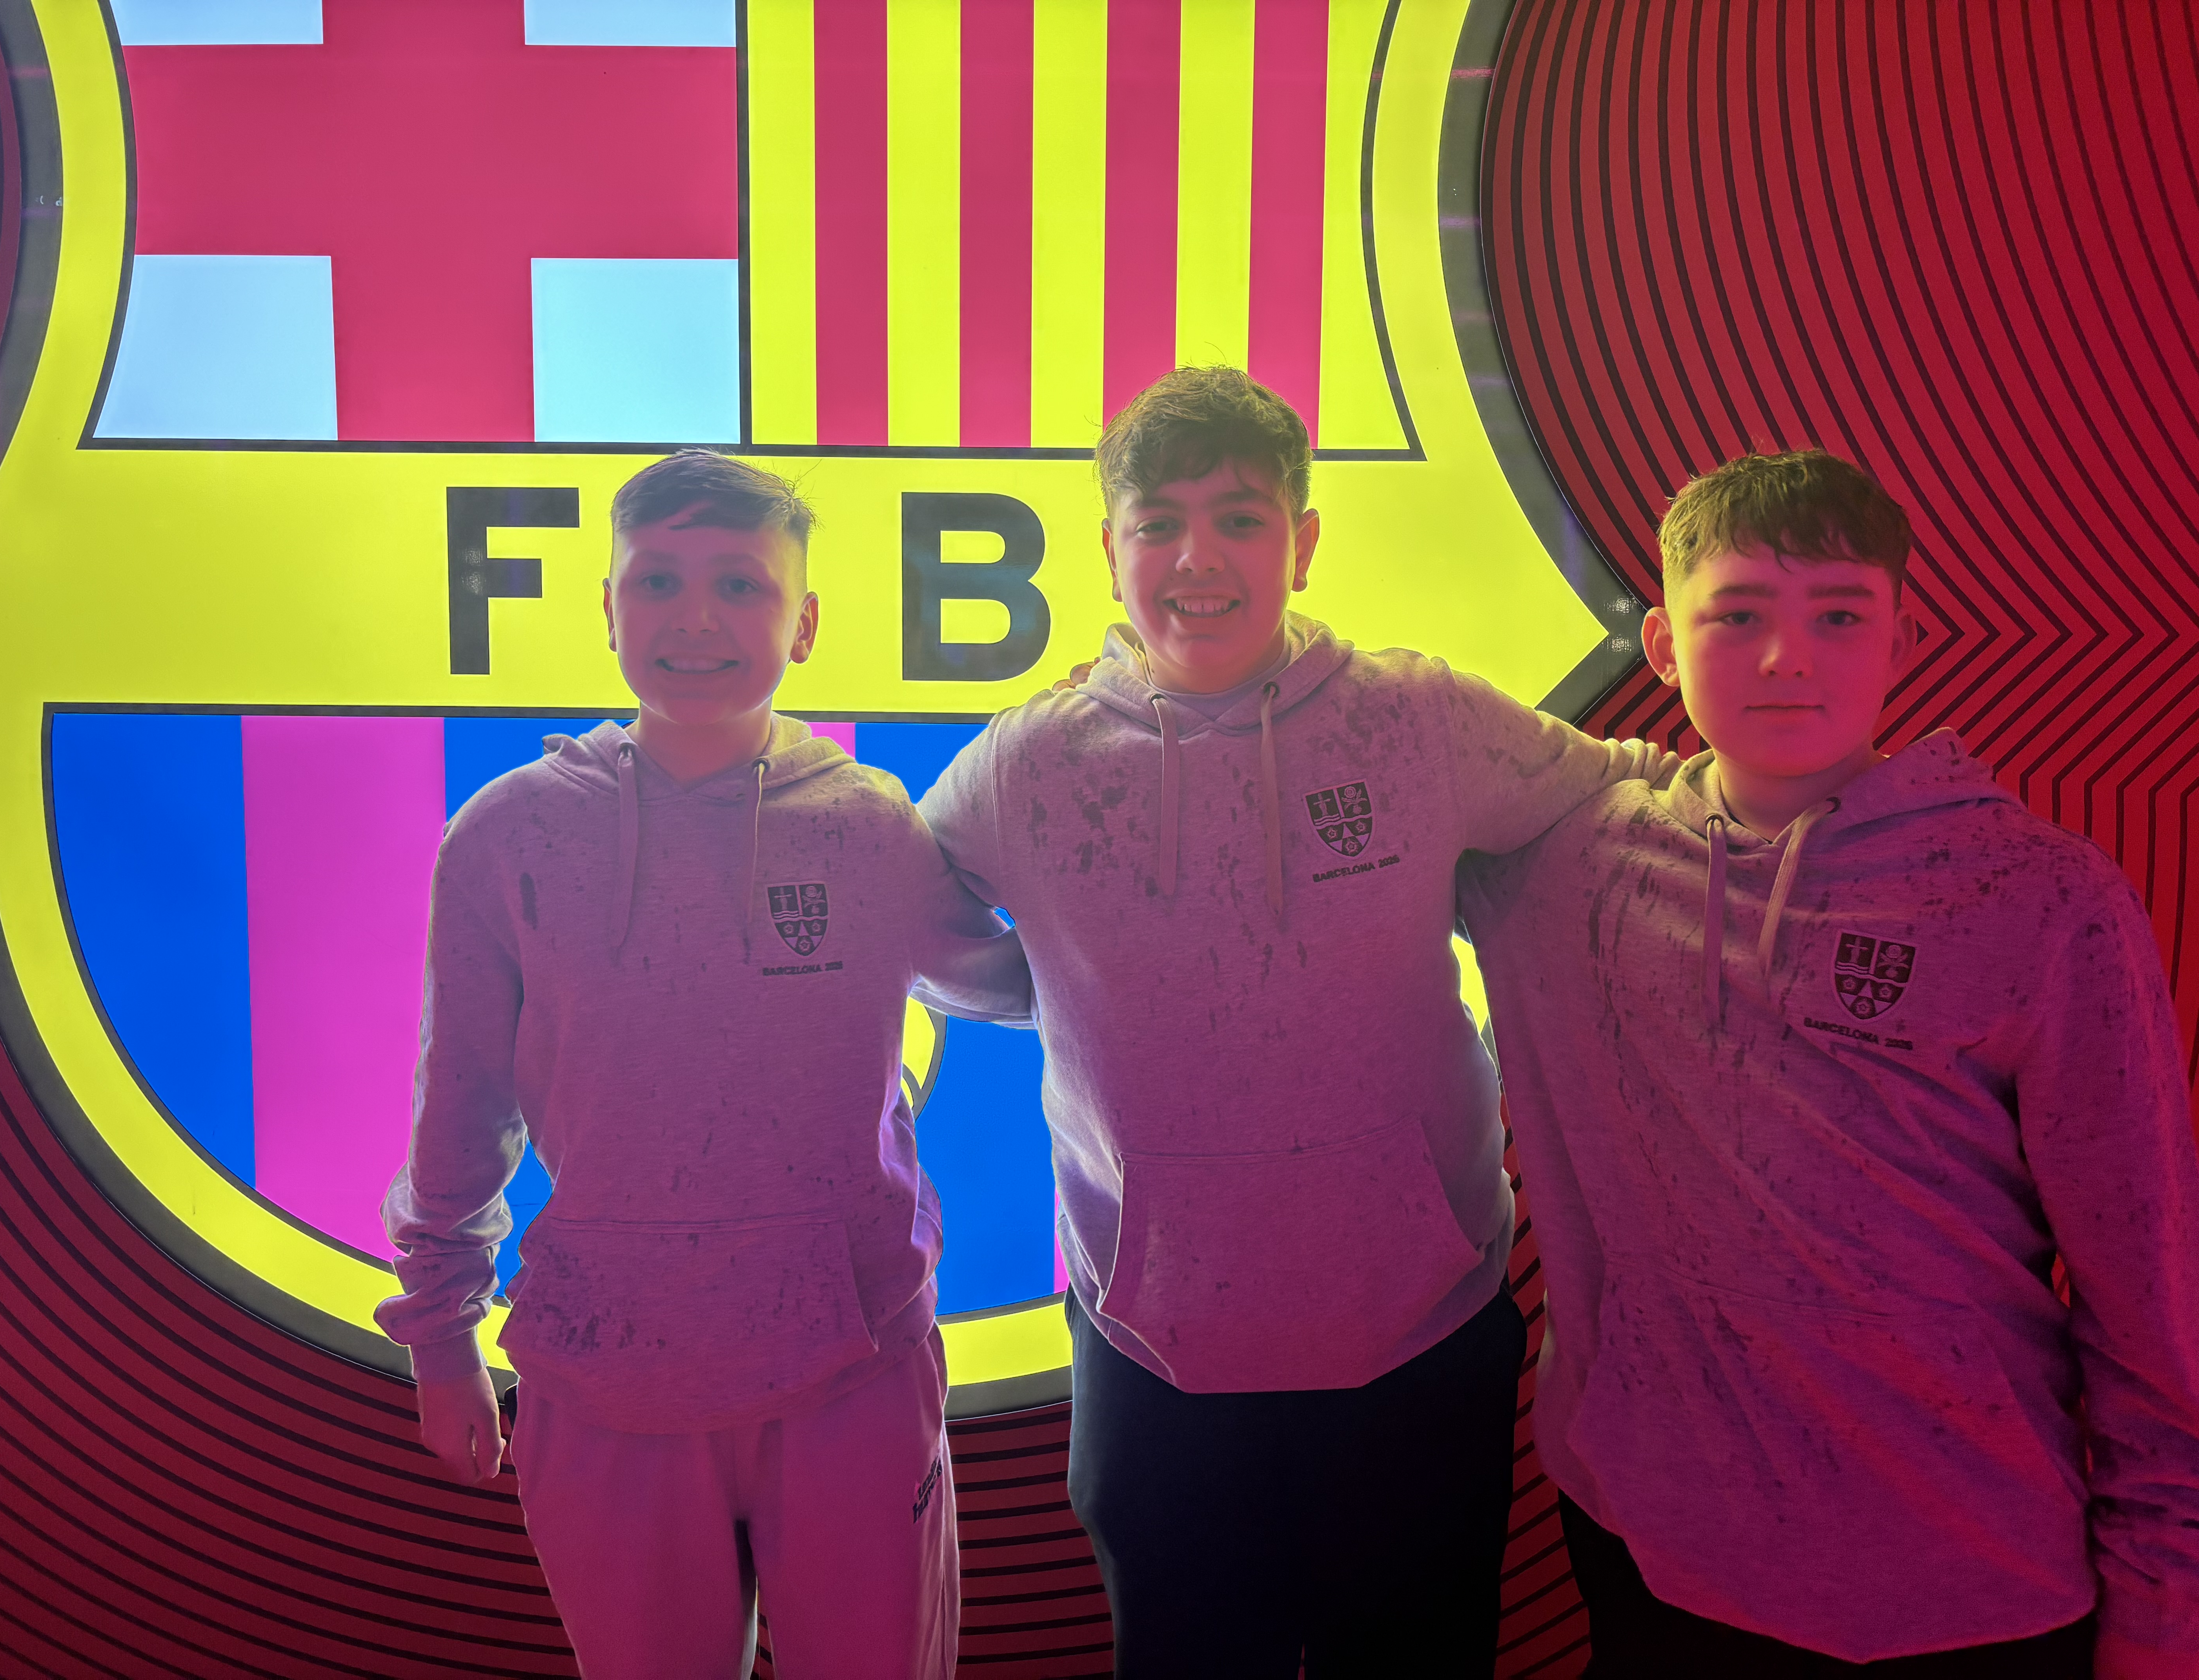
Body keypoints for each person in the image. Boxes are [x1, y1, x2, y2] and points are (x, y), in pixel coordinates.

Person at [918, 366, 1669, 1676]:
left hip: (1422, 1334)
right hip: (1152, 1352)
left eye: (1240, 517)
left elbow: (1619, 801)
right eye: (1158, 523)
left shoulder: (1418, 718)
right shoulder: (1029, 763)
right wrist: (1053, 980)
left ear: (1304, 541)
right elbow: (908, 915)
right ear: (1109, 550)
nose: (1196, 558)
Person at [1458, 450, 2199, 1678]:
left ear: (1903, 637)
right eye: (1737, 615)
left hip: (1972, 1580)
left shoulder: (2043, 901)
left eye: (1840, 616)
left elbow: (2151, 1289)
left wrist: (2167, 1607)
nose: (1786, 659)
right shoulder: (1560, 864)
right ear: (1661, 643)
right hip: (1653, 1552)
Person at [374, 450, 1031, 1680]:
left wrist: (1118, 829)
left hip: (855, 1371)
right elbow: (460, 1106)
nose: (695, 617)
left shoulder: (869, 825)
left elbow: (1029, 984)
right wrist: (440, 1333)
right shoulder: (509, 835)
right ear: (607, 606)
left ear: (805, 622)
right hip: (606, 1379)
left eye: (740, 584)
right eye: (659, 580)